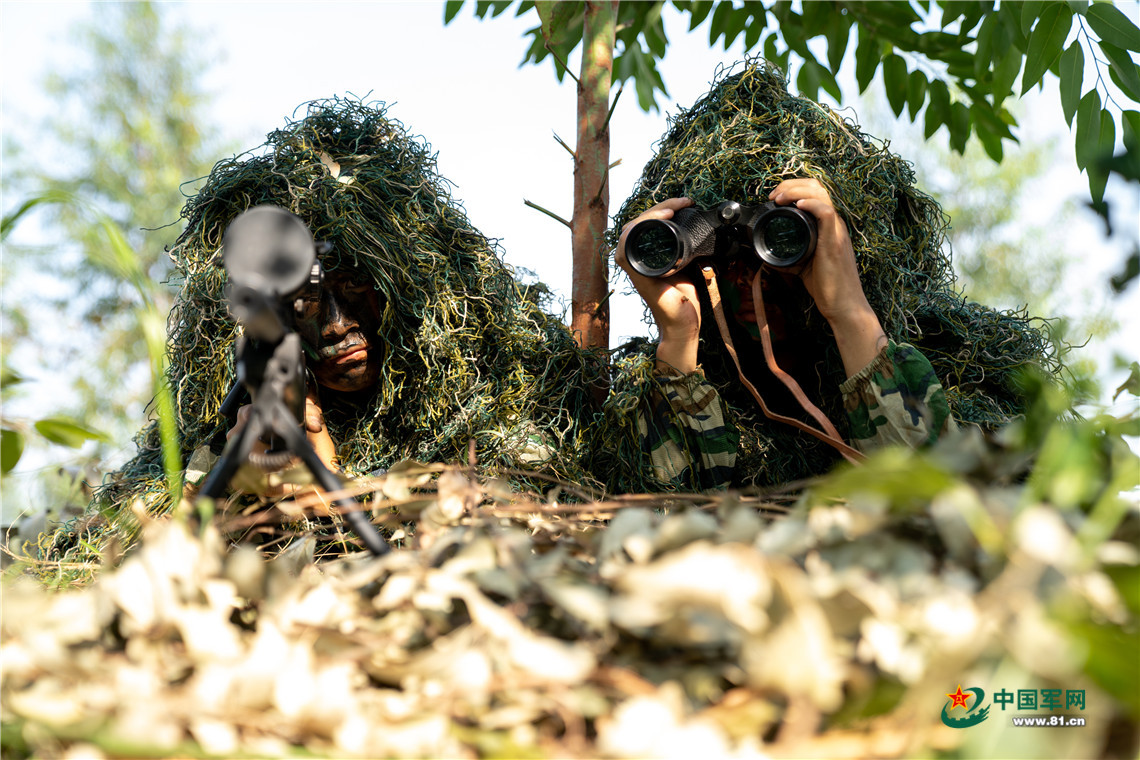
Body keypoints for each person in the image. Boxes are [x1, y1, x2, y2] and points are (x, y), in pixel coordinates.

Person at [615, 183, 955, 491]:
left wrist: (849, 309)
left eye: (778, 242)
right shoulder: (646, 393)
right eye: (731, 265)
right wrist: (678, 336)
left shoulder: (950, 359)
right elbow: (663, 517)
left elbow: (941, 502)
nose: (752, 282)